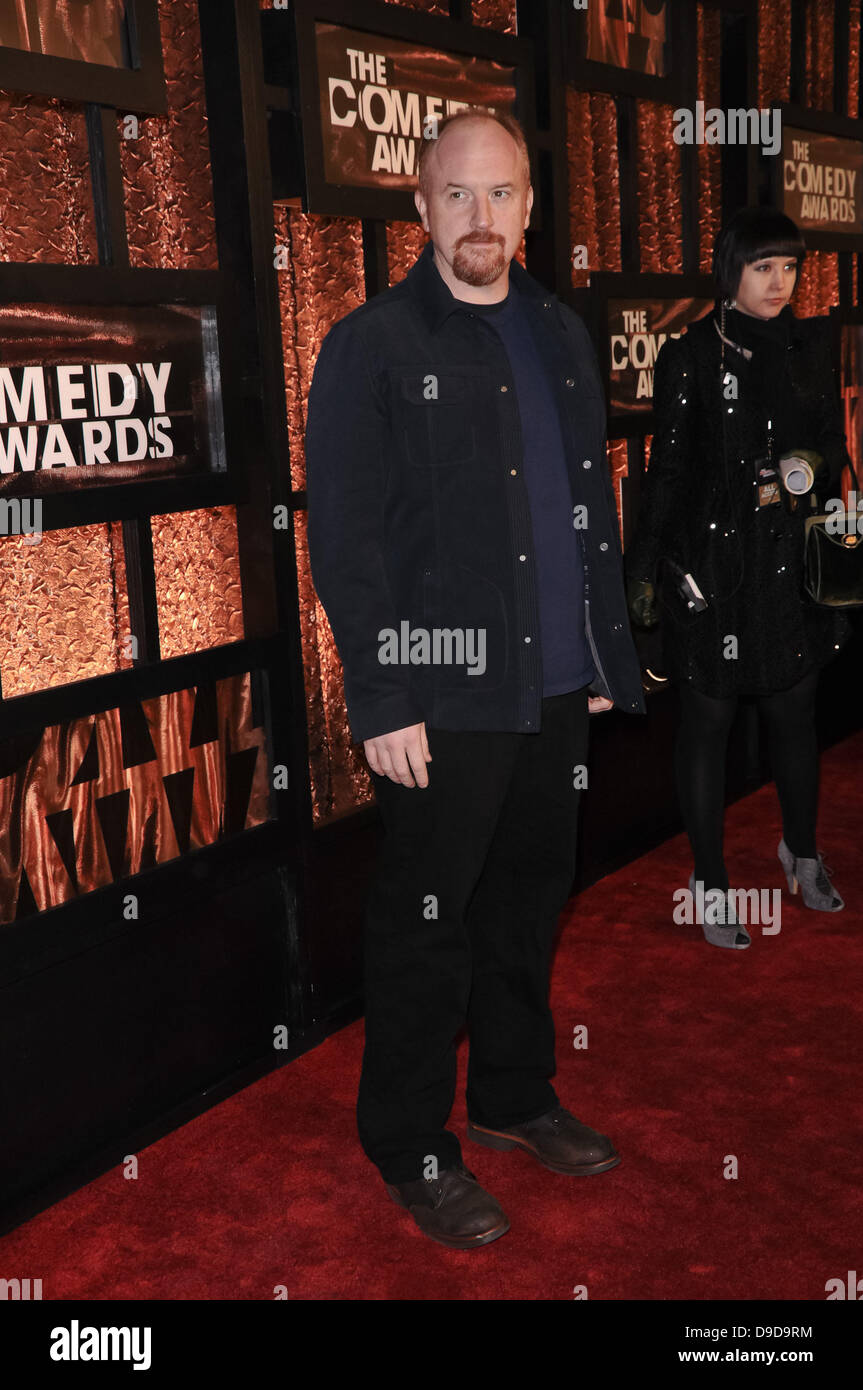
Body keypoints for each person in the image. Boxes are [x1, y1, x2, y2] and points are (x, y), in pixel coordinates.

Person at [305, 107, 645, 1249]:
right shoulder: (373, 344)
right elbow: (345, 538)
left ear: (531, 207)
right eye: (456, 194)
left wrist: (598, 649)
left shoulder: (556, 330)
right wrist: (385, 693)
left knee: (525, 906)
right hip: (441, 697)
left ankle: (510, 1094)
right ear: (417, 204)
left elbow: (585, 508)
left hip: (552, 689)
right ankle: (408, 1141)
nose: (480, 217)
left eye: (500, 194)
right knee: (426, 923)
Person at [626, 206, 850, 950]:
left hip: (787, 568)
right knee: (708, 725)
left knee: (794, 714)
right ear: (729, 273)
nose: (779, 282)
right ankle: (709, 881)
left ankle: (801, 852)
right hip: (713, 571)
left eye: (788, 266)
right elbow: (667, 472)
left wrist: (806, 469)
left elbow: (829, 448)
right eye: (763, 267)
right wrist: (647, 569)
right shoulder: (690, 356)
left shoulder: (806, 347)